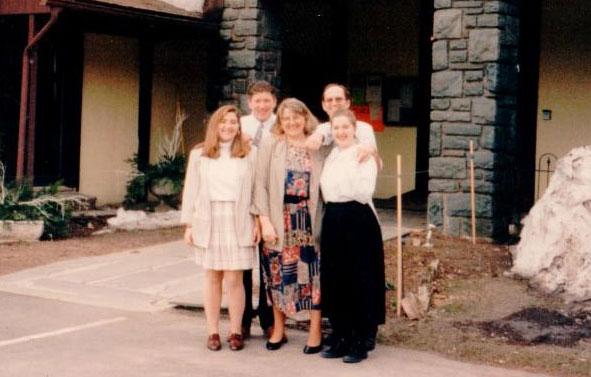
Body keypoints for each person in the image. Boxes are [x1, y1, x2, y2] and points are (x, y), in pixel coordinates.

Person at [181, 105, 260, 352]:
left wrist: (257, 220)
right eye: (223, 122)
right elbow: (191, 190)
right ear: (214, 125)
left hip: (239, 217)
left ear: (239, 127)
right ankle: (212, 331)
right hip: (209, 217)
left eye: (233, 122)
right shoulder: (200, 154)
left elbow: (257, 189)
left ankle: (236, 330)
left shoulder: (250, 153)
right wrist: (189, 224)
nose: (228, 126)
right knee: (212, 276)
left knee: (235, 278)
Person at [252, 98, 327, 354]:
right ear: (280, 123)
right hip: (279, 217)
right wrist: (264, 219)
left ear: (306, 118)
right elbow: (259, 184)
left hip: (309, 216)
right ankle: (278, 329)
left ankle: (315, 331)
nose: (292, 122)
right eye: (287, 119)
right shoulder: (271, 145)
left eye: (297, 117)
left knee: (313, 276)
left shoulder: (318, 145)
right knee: (278, 275)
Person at [319, 109, 385, 363]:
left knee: (359, 278)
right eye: (336, 128)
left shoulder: (363, 154)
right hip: (334, 217)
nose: (341, 132)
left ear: (354, 129)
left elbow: (362, 190)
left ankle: (359, 341)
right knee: (336, 279)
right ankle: (341, 335)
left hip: (357, 217)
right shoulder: (333, 154)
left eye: (346, 127)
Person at [239, 80, 278, 338]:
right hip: (242, 197)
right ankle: (241, 320)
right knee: (242, 262)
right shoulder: (239, 124)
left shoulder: (283, 124)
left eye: (267, 100)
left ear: (274, 101)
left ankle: (268, 318)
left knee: (268, 262)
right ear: (249, 102)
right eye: (257, 100)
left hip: (269, 199)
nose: (262, 105)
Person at [305, 83, 377, 163]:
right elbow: (324, 131)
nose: (334, 103)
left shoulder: (363, 128)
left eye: (338, 99)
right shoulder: (320, 128)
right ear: (324, 105)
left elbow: (371, 151)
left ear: (347, 103)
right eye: (329, 100)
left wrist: (369, 149)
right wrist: (318, 136)